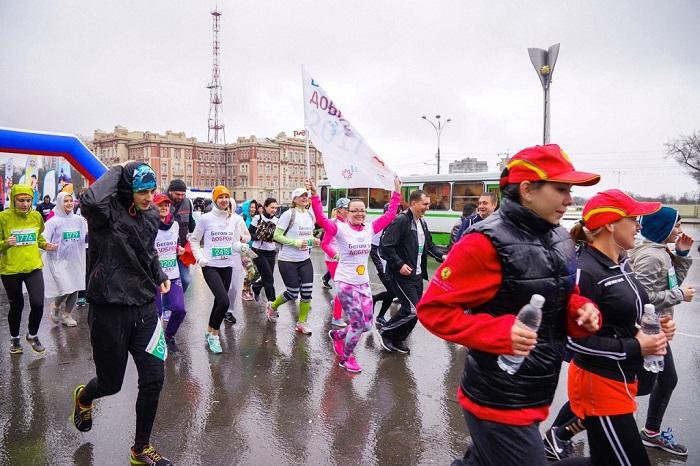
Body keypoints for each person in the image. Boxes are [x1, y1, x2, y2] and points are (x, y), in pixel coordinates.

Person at [416, 144, 602, 466]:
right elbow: (433, 310)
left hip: (535, 390)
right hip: (498, 399)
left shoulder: (560, 237)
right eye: (561, 189)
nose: (570, 200)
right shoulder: (483, 242)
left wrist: (579, 309)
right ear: (528, 190)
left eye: (570, 191)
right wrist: (501, 334)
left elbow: (560, 294)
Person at [552, 189, 672, 465]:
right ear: (610, 223)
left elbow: (625, 316)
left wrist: (656, 328)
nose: (640, 226)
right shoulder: (586, 270)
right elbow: (572, 342)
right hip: (599, 384)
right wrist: (636, 346)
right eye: (634, 218)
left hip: (622, 380)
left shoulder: (622, 263)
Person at [71, 162, 173, 466]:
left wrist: (159, 273)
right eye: (142, 190)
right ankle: (84, 398)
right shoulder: (104, 213)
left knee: (154, 379)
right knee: (110, 384)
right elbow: (89, 200)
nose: (148, 196)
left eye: (152, 190)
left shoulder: (152, 214)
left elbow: (147, 251)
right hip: (108, 309)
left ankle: (140, 449)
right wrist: (119, 170)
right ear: (128, 188)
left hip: (144, 308)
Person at [310, 177, 401, 372]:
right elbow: (321, 220)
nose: (359, 213)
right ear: (347, 213)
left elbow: (390, 215)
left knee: (367, 325)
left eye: (362, 210)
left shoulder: (369, 229)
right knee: (358, 323)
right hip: (345, 282)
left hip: (363, 283)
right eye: (355, 210)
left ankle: (338, 336)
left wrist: (396, 192)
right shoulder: (340, 229)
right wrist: (315, 197)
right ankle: (346, 358)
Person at [629, 206, 694, 456]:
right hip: (646, 331)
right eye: (677, 225)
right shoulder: (651, 256)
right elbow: (640, 298)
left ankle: (651, 433)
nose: (679, 230)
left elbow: (671, 281)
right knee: (632, 385)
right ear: (663, 227)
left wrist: (682, 255)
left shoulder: (661, 253)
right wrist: (678, 295)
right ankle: (563, 429)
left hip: (657, 330)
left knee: (666, 380)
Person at [378, 189, 446, 354]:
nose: (428, 207)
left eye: (428, 204)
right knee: (411, 309)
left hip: (416, 275)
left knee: (417, 312)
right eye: (425, 204)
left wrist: (442, 256)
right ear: (414, 203)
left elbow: (429, 245)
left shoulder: (421, 222)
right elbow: (385, 246)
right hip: (401, 275)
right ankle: (386, 331)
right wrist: (399, 264)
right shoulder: (401, 221)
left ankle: (398, 339)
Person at [190, 185, 250, 353]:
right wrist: (200, 258)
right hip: (210, 266)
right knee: (224, 301)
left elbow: (233, 243)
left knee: (219, 301)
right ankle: (215, 336)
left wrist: (241, 246)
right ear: (215, 199)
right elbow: (194, 240)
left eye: (226, 197)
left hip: (227, 265)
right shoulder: (205, 219)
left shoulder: (234, 220)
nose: (224, 200)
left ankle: (209, 330)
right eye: (221, 197)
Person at [0, 185, 58, 354]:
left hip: (33, 266)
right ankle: (14, 338)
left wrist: (45, 244)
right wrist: (5, 243)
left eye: (28, 200)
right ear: (14, 200)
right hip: (11, 269)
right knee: (17, 305)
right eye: (21, 200)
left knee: (38, 304)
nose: (25, 204)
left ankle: (32, 335)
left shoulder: (35, 216)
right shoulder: (3, 217)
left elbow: (37, 236)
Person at [265, 187, 320, 334]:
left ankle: (301, 323)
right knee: (293, 292)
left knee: (307, 292)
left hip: (305, 259)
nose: (304, 198)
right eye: (300, 196)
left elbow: (308, 235)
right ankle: (273, 306)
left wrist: (313, 240)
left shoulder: (309, 214)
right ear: (294, 199)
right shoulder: (289, 214)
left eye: (306, 195)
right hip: (287, 260)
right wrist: (294, 243)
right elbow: (277, 236)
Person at [42, 191, 87, 327]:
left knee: (75, 286)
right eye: (65, 201)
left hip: (75, 258)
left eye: (70, 201)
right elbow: (43, 239)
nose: (69, 203)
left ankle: (67, 315)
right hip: (58, 260)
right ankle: (55, 305)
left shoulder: (79, 220)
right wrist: (47, 245)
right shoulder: (52, 222)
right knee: (66, 287)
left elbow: (85, 235)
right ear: (60, 203)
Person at [153, 193, 187, 353]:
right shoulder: (148, 225)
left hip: (172, 274)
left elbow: (175, 243)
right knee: (156, 313)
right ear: (153, 206)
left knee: (180, 310)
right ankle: (155, 343)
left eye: (166, 205)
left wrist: (178, 249)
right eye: (160, 205)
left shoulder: (174, 225)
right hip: (153, 276)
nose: (164, 207)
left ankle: (168, 336)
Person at [370, 200, 407, 326]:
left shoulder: (397, 226)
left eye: (400, 213)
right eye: (397, 213)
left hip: (393, 266)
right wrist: (379, 266)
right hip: (383, 267)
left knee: (391, 293)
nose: (399, 216)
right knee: (393, 292)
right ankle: (373, 299)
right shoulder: (381, 227)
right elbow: (373, 247)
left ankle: (380, 316)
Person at [321, 198, 350, 327]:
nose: (349, 211)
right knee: (341, 289)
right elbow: (325, 244)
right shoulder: (332, 224)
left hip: (347, 260)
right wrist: (335, 255)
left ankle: (336, 303)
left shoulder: (351, 222)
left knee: (349, 287)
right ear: (339, 210)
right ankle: (336, 318)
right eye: (347, 209)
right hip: (333, 261)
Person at [164, 179, 196, 293]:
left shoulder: (187, 202)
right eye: (177, 194)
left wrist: (194, 234)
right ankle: (167, 307)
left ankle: (174, 302)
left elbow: (191, 221)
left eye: (183, 194)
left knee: (185, 280)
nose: (180, 197)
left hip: (182, 249)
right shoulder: (161, 202)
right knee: (164, 281)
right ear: (170, 191)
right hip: (165, 249)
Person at [249, 197, 279, 302]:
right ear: (265, 207)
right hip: (258, 251)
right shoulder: (258, 218)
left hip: (271, 252)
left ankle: (255, 287)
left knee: (267, 276)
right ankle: (272, 304)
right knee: (269, 278)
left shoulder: (277, 221)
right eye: (272, 207)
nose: (274, 210)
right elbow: (249, 234)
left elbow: (279, 236)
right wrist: (259, 236)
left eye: (276, 208)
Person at [238, 198, 259, 302]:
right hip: (244, 250)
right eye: (251, 207)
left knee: (258, 272)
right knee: (251, 271)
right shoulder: (242, 218)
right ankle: (245, 290)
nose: (253, 209)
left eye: (254, 207)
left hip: (255, 249)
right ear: (247, 208)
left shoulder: (257, 218)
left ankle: (249, 286)